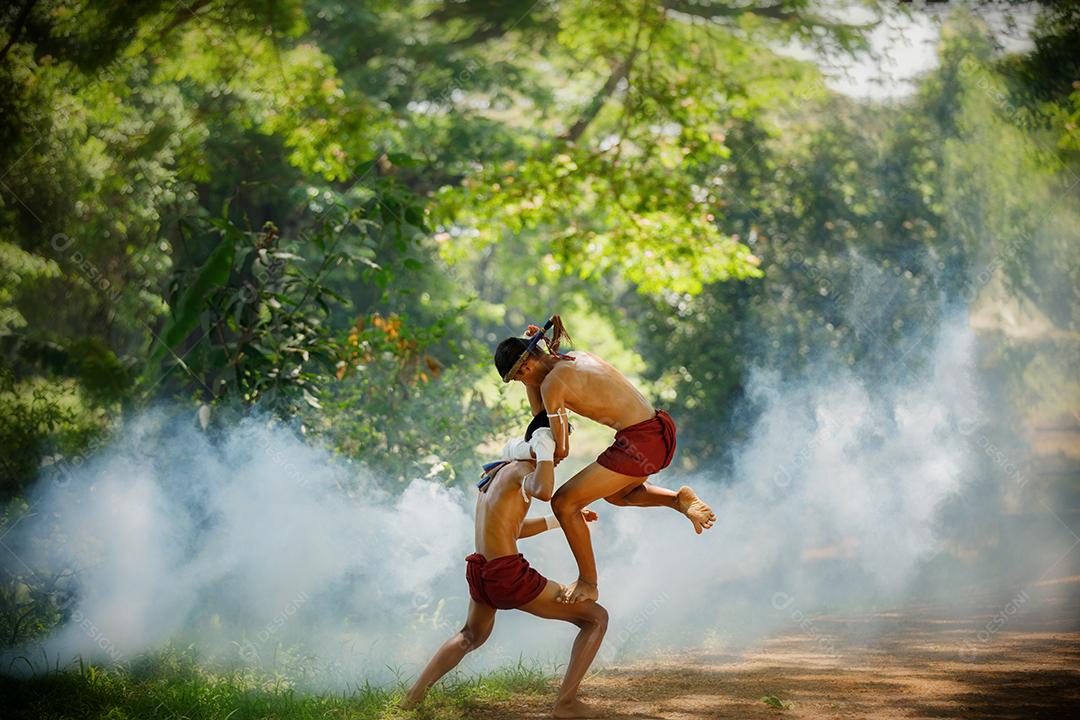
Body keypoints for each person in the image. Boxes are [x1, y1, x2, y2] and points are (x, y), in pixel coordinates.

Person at [493, 316, 716, 604]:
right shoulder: (575, 356)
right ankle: (678, 500)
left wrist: (543, 459)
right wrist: (530, 372)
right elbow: (542, 415)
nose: (527, 375)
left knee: (563, 502)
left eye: (527, 366)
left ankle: (589, 583)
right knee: (618, 495)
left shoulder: (550, 386)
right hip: (657, 430)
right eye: (519, 375)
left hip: (641, 441)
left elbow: (560, 447)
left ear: (536, 352)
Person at [402, 416, 608, 719]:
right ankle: (565, 705)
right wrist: (546, 454)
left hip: (480, 570)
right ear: (542, 442)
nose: (563, 452)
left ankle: (411, 700)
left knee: (470, 636)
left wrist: (555, 522)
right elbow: (544, 490)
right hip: (507, 575)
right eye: (559, 444)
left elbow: (511, 529)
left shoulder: (499, 470)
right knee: (596, 618)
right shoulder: (524, 471)